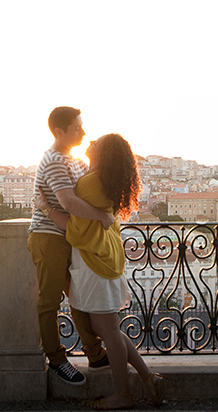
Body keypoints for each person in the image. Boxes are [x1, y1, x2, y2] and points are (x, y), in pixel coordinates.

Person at [53, 133, 164, 409]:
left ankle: (123, 394)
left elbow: (73, 218)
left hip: (95, 261)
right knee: (108, 328)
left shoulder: (91, 182)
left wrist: (47, 210)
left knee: (108, 330)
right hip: (105, 257)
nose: (89, 144)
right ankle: (148, 378)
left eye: (96, 143)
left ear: (104, 153)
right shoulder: (104, 180)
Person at [29, 106, 114, 385]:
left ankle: (95, 353)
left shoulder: (73, 159)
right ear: (59, 131)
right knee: (50, 301)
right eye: (77, 128)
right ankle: (56, 359)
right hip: (49, 236)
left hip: (69, 236)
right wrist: (101, 216)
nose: (83, 132)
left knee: (78, 297)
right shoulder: (54, 160)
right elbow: (69, 202)